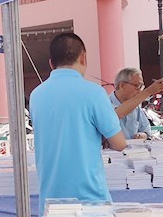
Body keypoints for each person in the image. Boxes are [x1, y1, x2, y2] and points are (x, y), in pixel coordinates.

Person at [30, 32, 130, 206]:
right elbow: (119, 143)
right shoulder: (94, 93)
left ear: (51, 64)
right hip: (90, 200)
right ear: (83, 58)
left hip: (51, 201)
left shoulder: (36, 95)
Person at [109, 66, 163, 139]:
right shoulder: (105, 103)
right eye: (137, 86)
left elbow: (146, 130)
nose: (139, 91)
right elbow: (116, 114)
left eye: (141, 86)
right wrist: (148, 91)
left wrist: (142, 135)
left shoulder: (136, 108)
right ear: (122, 85)